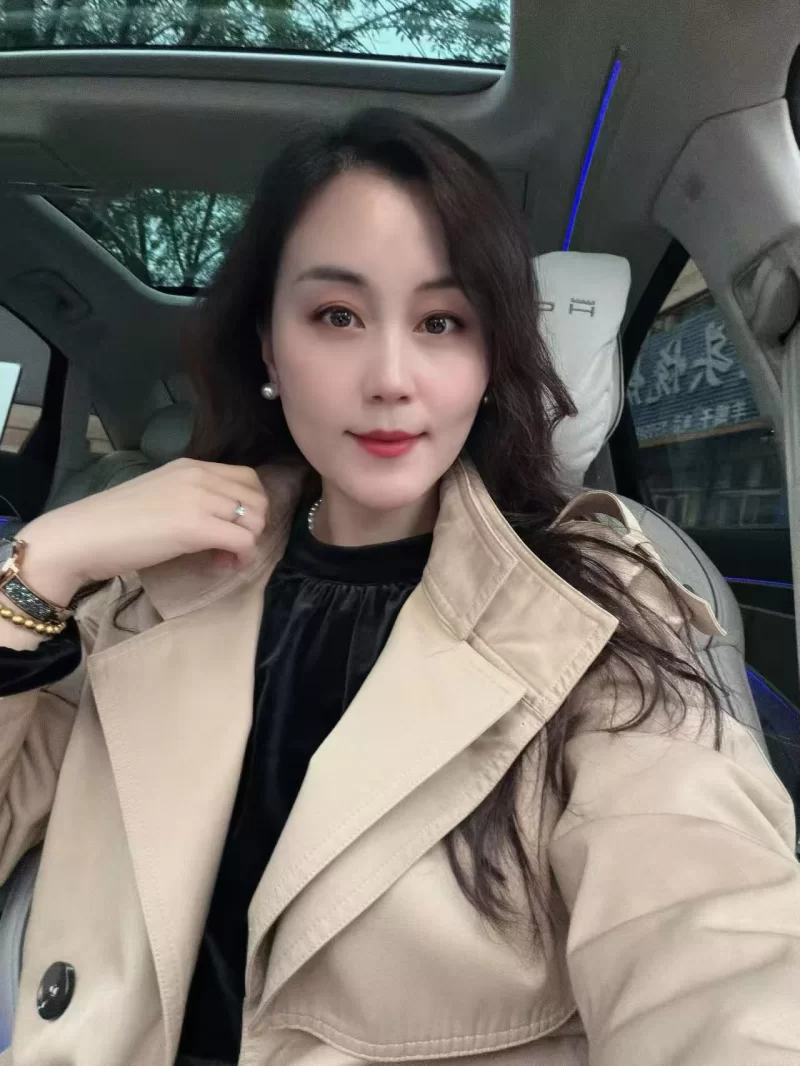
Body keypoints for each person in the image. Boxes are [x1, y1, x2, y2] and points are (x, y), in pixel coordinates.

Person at [0, 109, 798, 1066]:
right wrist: (38, 568)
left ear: (491, 357)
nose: (390, 377)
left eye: (441, 322)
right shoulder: (137, 594)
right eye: (336, 316)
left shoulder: (598, 609)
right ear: (269, 347)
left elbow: (714, 938)